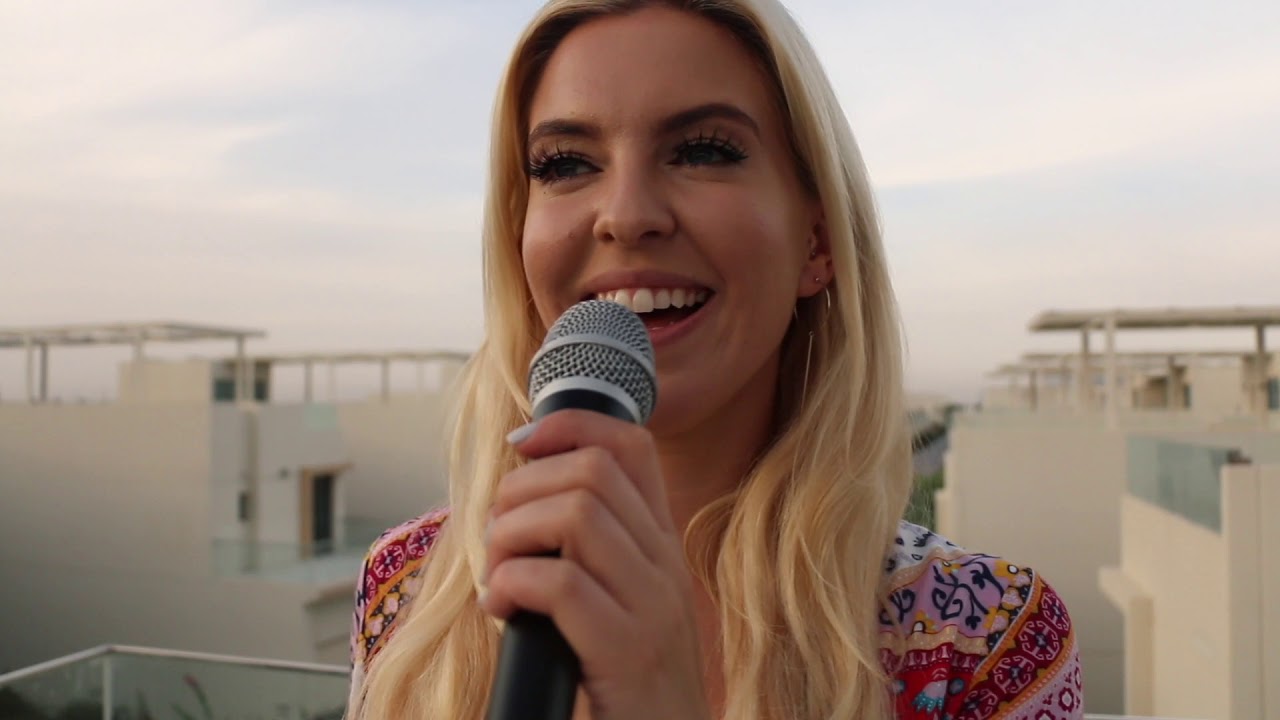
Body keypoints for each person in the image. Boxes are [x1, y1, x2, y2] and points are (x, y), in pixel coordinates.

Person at [347, 1, 1083, 718]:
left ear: (818, 242)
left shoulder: (986, 642)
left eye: (703, 151)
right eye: (565, 163)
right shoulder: (406, 587)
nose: (625, 215)